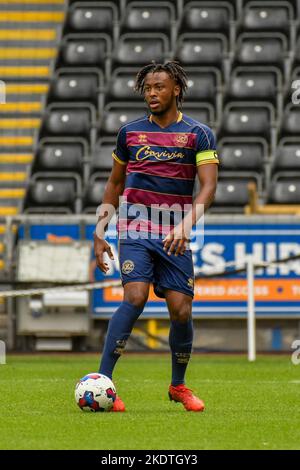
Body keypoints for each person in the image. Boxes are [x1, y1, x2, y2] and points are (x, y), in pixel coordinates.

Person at [94, 61, 219, 412]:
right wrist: (101, 230)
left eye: (159, 87)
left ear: (176, 89)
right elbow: (115, 184)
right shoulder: (129, 133)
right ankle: (104, 382)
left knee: (180, 310)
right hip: (134, 227)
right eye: (148, 87)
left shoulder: (199, 133)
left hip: (174, 232)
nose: (152, 93)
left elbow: (208, 187)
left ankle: (178, 386)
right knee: (134, 298)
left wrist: (185, 225)